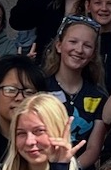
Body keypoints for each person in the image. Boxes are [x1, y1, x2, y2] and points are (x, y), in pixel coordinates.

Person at [43, 15, 107, 154]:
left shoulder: (98, 96)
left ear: (93, 54)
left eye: (87, 45)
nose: (79, 50)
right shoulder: (40, 88)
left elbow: (93, 149)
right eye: (73, 42)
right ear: (59, 46)